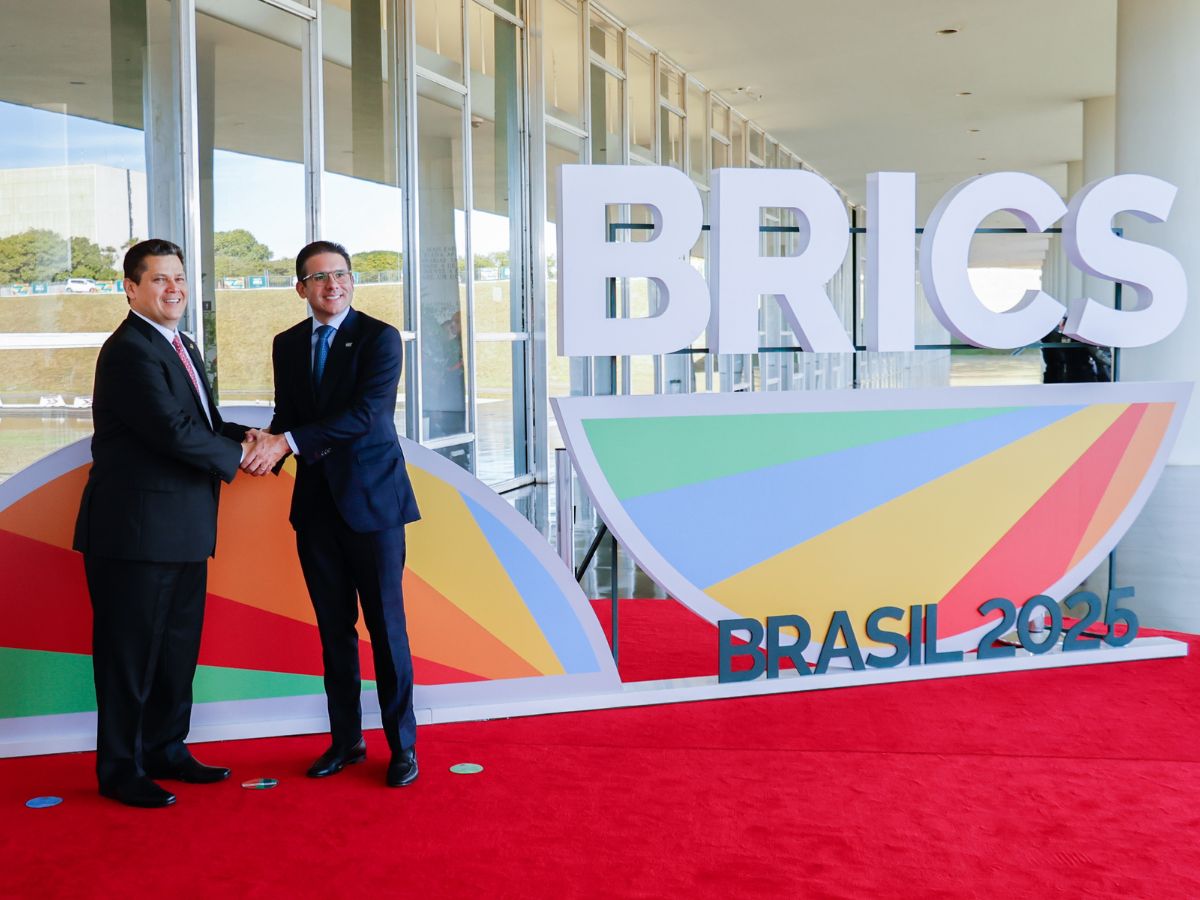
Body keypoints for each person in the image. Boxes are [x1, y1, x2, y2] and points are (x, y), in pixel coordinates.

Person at [73, 239, 256, 808]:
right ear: (130, 288)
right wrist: (243, 457)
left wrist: (249, 437)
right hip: (134, 534)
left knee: (177, 649)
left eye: (179, 277)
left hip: (183, 528)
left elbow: (202, 421)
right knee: (129, 657)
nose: (174, 288)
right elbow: (171, 431)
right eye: (159, 280)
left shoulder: (180, 344)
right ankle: (120, 769)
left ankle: (167, 748)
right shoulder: (129, 350)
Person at [242, 240, 421, 787]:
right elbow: (288, 415)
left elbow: (366, 416)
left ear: (352, 281)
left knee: (387, 629)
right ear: (301, 287)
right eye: (319, 277)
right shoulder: (287, 343)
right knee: (333, 631)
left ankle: (403, 748)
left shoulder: (379, 338)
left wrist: (286, 442)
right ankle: (346, 742)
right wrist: (262, 444)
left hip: (372, 504)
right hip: (316, 509)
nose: (332, 285)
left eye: (340, 274)